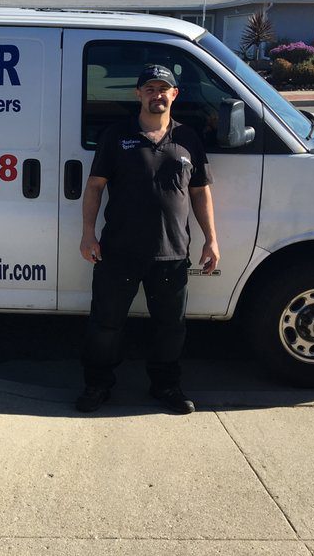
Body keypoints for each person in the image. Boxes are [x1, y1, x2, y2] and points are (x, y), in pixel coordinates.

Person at [76, 63, 219, 414]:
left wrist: (211, 240)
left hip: (172, 253)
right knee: (105, 326)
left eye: (163, 88)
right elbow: (94, 187)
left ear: (174, 95)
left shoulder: (188, 139)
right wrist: (88, 234)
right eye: (150, 88)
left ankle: (166, 388)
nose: (157, 94)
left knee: (170, 328)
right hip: (118, 251)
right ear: (138, 94)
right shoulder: (116, 136)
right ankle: (97, 386)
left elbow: (201, 192)